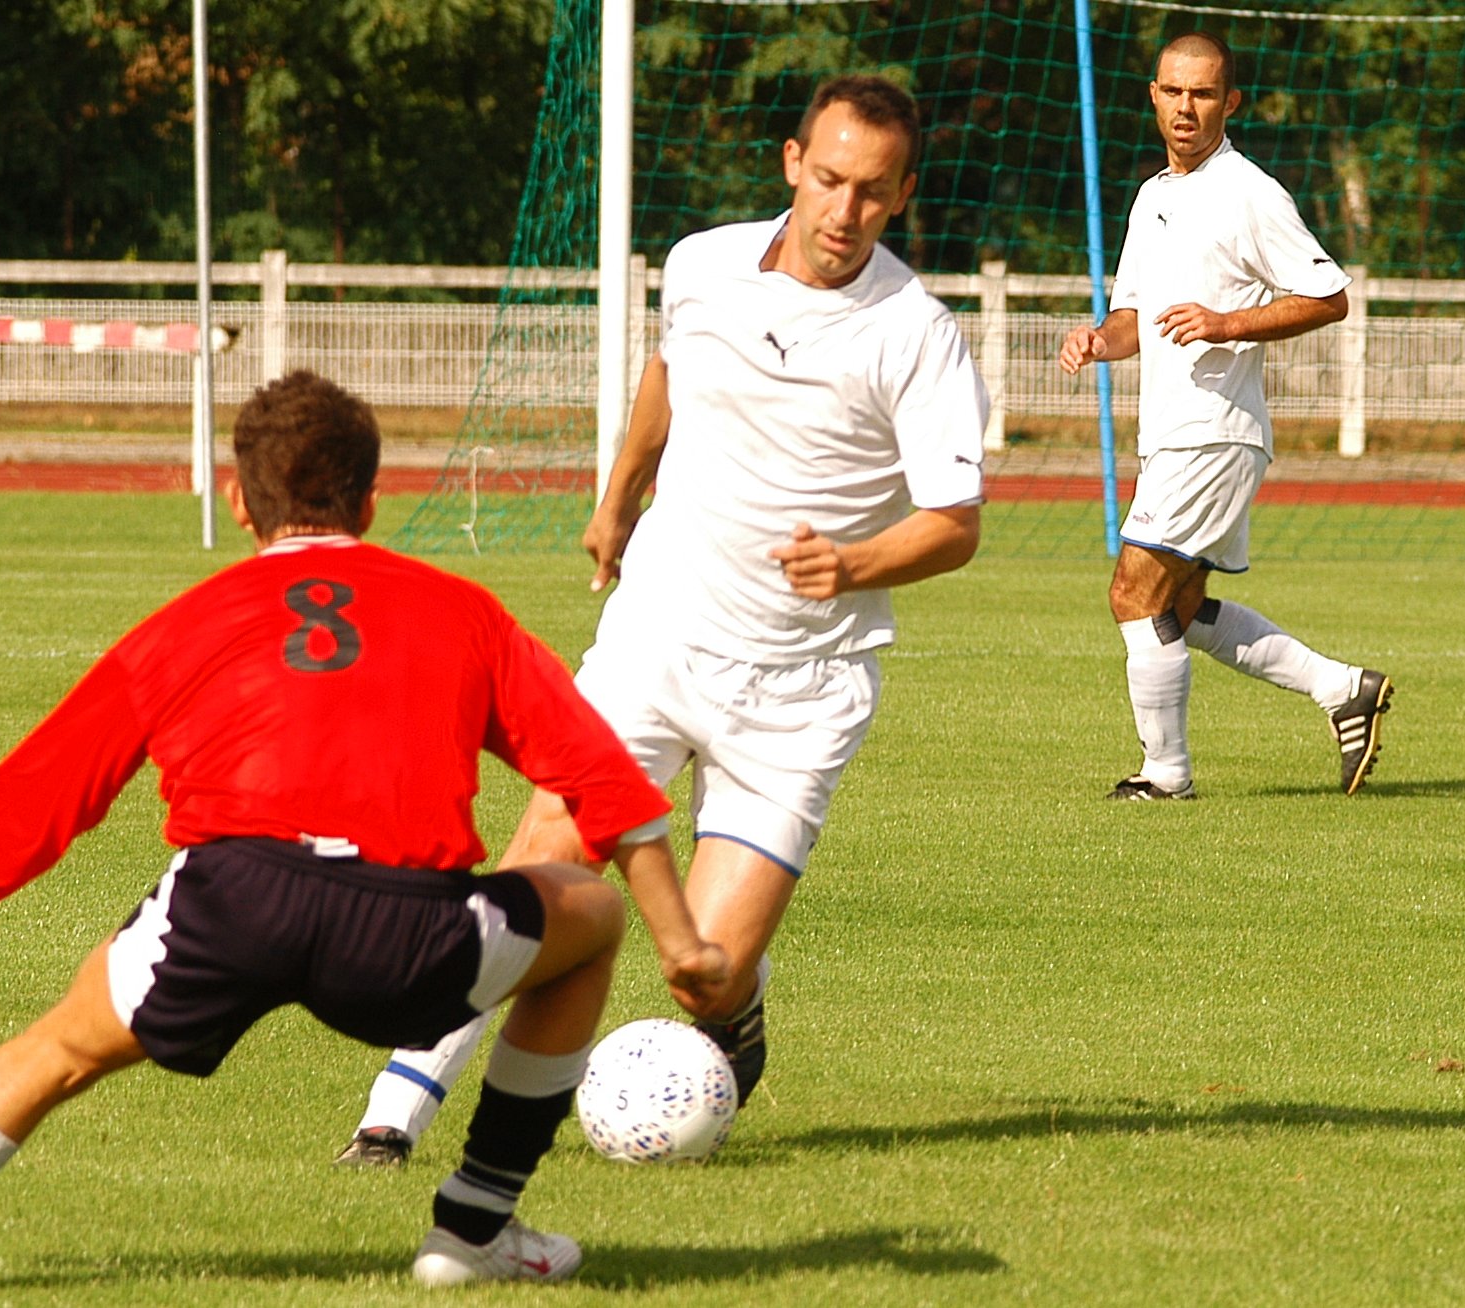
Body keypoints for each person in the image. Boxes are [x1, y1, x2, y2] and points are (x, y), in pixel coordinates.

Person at [0, 371, 727, 1301]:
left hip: (233, 907)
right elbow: (601, 780)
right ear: (372, 503)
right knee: (591, 916)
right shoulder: (461, 612)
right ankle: (474, 1230)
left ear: (238, 499)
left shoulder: (186, 625)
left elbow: (44, 794)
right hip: (404, 929)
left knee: (55, 1051)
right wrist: (680, 942)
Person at [336, 73, 989, 1168]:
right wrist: (617, 499)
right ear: (792, 163)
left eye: (871, 193)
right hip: (656, 640)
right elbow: (667, 376)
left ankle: (734, 1012)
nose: (842, 211)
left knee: (705, 968)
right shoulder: (701, 264)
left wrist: (855, 560)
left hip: (800, 690)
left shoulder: (915, 335)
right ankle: (392, 1117)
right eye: (827, 179)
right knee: (538, 869)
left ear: (902, 197)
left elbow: (956, 522)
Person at [1058, 30, 1393, 802]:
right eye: (1173, 91)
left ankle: (1165, 777)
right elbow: (1132, 319)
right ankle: (1344, 689)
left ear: (1228, 102)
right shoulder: (1153, 198)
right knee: (1179, 607)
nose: (1186, 107)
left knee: (1132, 594)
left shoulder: (1250, 190)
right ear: (1153, 95)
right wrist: (1095, 341)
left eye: (1203, 93)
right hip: (1177, 433)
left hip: (1214, 430)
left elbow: (1329, 296)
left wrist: (1227, 323)